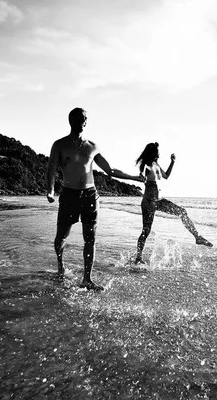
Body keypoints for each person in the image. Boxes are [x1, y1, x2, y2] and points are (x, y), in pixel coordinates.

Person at [46, 107, 143, 291]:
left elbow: (110, 171)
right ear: (71, 120)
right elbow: (51, 169)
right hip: (69, 194)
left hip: (90, 195)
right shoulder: (59, 145)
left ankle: (87, 279)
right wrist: (50, 190)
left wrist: (134, 178)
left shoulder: (92, 146)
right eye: (80, 118)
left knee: (90, 238)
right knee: (61, 238)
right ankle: (61, 267)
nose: (83, 121)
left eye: (85, 119)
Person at [134, 142, 212, 264]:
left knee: (182, 212)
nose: (159, 153)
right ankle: (138, 258)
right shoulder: (146, 165)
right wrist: (142, 177)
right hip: (149, 202)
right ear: (153, 153)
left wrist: (172, 162)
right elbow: (142, 173)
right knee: (146, 230)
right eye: (157, 151)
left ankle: (197, 237)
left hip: (159, 201)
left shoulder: (155, 164)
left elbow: (166, 176)